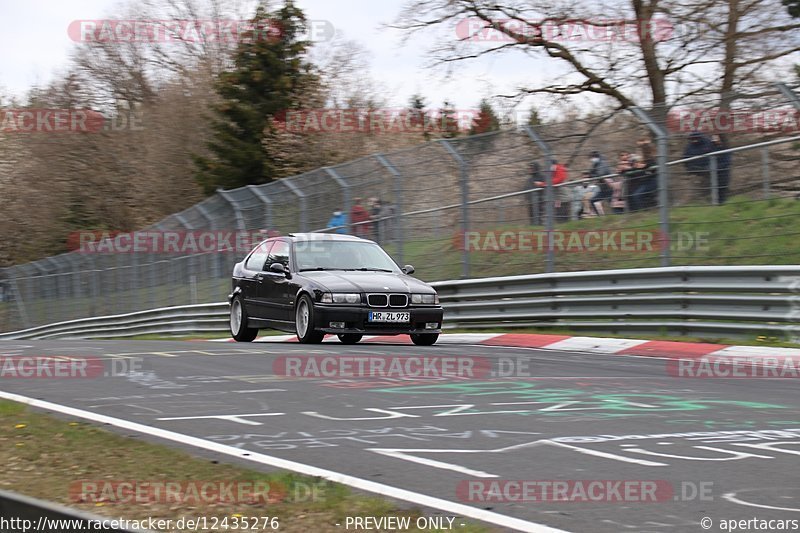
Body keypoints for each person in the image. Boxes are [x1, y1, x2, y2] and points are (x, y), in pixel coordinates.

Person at [683, 131, 715, 203]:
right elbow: (685, 158)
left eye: (696, 138)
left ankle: (710, 195)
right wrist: (689, 168)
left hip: (707, 167)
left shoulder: (708, 142)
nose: (694, 140)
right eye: (692, 139)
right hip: (694, 169)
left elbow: (714, 153)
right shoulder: (689, 146)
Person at [588, 151, 612, 215]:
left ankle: (618, 215)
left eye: (592, 157)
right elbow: (591, 173)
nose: (592, 159)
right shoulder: (595, 165)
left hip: (609, 187)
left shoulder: (603, 163)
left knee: (612, 203)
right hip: (603, 189)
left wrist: (593, 175)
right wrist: (592, 174)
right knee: (592, 200)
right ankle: (599, 217)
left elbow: (600, 174)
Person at [710, 134, 732, 204]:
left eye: (716, 138)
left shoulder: (725, 148)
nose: (715, 140)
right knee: (715, 188)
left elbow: (727, 161)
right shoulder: (712, 148)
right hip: (715, 171)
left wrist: (718, 167)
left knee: (723, 187)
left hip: (724, 171)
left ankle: (722, 202)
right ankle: (717, 203)